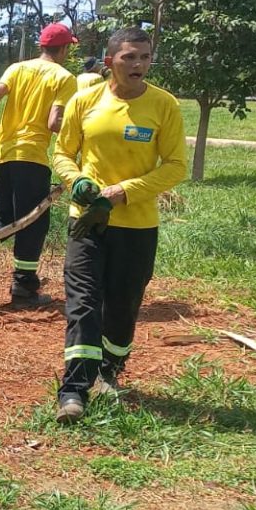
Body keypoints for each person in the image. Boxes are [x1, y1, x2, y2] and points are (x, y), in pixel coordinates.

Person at [50, 26, 186, 424]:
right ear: (110, 61)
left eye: (145, 57)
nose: (138, 64)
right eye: (129, 57)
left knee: (124, 306)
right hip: (88, 223)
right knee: (83, 302)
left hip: (137, 226)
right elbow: (62, 153)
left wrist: (124, 192)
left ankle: (108, 372)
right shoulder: (85, 100)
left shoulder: (164, 105)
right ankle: (74, 389)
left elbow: (176, 166)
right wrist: (77, 182)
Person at [0, 22, 79, 308]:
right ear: (64, 49)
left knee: (4, 215)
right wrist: (81, 137)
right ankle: (24, 288)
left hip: (2, 154)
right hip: (30, 156)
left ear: (42, 45)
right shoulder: (64, 77)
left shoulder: (17, 68)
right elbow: (54, 122)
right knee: (33, 222)